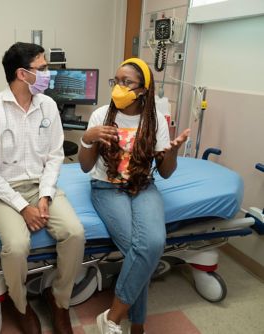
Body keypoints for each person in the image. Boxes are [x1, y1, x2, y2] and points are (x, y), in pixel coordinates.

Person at [0, 42, 85, 334]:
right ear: (22, 74)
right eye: (44, 68)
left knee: (74, 233)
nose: (48, 74)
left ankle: (59, 300)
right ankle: (20, 304)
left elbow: (55, 156)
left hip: (41, 186)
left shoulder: (47, 106)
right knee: (16, 246)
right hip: (4, 192)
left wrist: (46, 195)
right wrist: (24, 208)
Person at [78, 58, 190, 334]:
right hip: (107, 187)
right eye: (115, 81)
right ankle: (137, 325)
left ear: (142, 90)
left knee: (153, 241)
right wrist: (87, 138)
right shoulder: (101, 115)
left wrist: (171, 153)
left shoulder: (155, 122)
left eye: (126, 82)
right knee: (138, 250)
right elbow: (85, 166)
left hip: (144, 185)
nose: (118, 87)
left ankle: (112, 319)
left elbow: (165, 173)